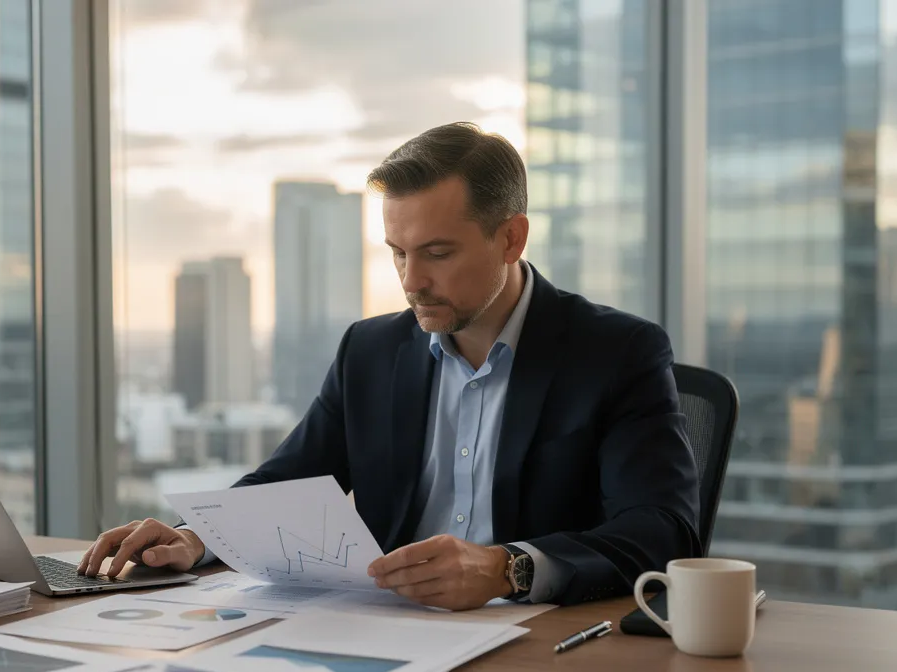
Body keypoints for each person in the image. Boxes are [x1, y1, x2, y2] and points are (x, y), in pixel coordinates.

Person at [80, 122, 700, 609]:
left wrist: (506, 567)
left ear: (511, 239)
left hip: (540, 650)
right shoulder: (369, 352)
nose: (411, 280)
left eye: (437, 253)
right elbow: (286, 483)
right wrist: (194, 538)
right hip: (387, 637)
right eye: (397, 253)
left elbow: (662, 531)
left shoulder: (617, 352)